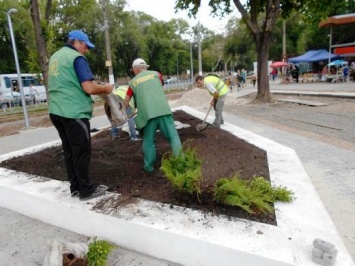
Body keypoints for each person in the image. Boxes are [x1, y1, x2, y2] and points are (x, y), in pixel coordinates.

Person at [48, 30, 114, 200]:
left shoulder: (56, 56)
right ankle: (86, 190)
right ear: (76, 42)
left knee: (69, 151)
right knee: (81, 151)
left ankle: (75, 188)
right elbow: (89, 88)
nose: (86, 50)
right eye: (85, 46)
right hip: (73, 112)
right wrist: (106, 88)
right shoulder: (76, 58)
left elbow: (70, 82)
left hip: (56, 111)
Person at [124, 58, 183, 173]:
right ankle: (181, 163)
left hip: (147, 114)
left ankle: (149, 167)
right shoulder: (157, 74)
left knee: (148, 141)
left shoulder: (132, 83)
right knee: (173, 137)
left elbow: (126, 101)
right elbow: (158, 86)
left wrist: (125, 113)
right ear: (145, 67)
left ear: (135, 69)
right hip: (163, 110)